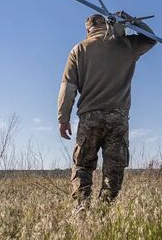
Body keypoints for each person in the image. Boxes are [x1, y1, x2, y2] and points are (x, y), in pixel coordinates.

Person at [57, 12, 156, 214]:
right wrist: (131, 20)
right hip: (118, 117)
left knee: (83, 165)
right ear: (107, 23)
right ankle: (105, 211)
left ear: (88, 29)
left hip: (90, 117)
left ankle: (82, 208)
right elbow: (151, 39)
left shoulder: (79, 49)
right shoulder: (127, 45)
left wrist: (63, 118)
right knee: (114, 168)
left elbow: (68, 87)